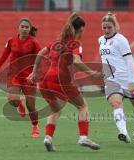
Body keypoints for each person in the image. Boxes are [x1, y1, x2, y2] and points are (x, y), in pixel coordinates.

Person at [28, 12, 103, 151]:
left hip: (44, 80)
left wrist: (34, 73)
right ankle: (83, 137)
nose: (82, 34)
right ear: (78, 30)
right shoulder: (75, 43)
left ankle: (48, 138)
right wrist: (91, 73)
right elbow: (76, 59)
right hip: (61, 80)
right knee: (82, 106)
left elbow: (40, 54)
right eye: (82, 31)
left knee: (55, 109)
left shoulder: (57, 41)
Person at [98, 12, 134, 145]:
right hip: (111, 81)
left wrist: (130, 82)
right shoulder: (100, 40)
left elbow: (129, 61)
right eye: (104, 28)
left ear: (115, 27)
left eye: (109, 28)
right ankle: (123, 132)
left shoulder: (121, 40)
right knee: (116, 104)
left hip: (126, 79)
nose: (106, 30)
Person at [0, 18, 41, 138]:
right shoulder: (11, 40)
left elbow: (39, 59)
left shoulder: (34, 43)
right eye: (22, 27)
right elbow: (5, 54)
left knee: (31, 106)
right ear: (18, 28)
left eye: (27, 27)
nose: (24, 29)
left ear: (30, 29)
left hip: (29, 77)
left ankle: (35, 126)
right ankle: (20, 102)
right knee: (13, 102)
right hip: (14, 75)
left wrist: (36, 74)